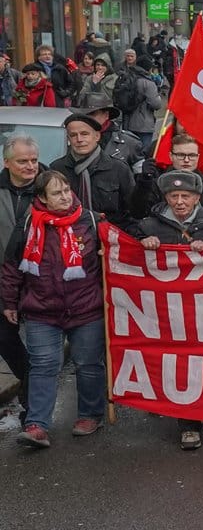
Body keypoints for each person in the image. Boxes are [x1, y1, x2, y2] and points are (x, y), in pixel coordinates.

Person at [1, 171, 105, 448]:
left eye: (66, 190)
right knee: (43, 366)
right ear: (42, 199)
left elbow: (117, 255)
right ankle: (37, 425)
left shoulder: (91, 220)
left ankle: (90, 414)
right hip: (42, 310)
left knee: (88, 365)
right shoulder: (27, 224)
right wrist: (10, 302)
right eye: (56, 193)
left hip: (86, 308)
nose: (65, 196)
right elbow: (12, 266)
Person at [132, 170, 203, 449]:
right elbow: (125, 250)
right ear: (165, 197)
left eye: (185, 196)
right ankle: (162, 399)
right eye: (173, 196)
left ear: (197, 198)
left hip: (202, 309)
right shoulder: (149, 225)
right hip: (162, 309)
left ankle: (191, 422)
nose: (179, 201)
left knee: (195, 363)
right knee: (166, 358)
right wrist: (142, 244)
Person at [0, 135, 40, 424]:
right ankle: (29, 384)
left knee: (41, 346)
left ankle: (35, 408)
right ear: (7, 163)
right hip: (3, 278)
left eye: (33, 160)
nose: (30, 166)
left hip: (38, 279)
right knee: (5, 338)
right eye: (22, 161)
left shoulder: (49, 187)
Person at [50, 114, 135, 229]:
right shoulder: (57, 169)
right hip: (69, 236)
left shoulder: (118, 169)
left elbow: (134, 212)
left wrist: (145, 184)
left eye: (84, 134)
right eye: (73, 135)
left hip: (108, 237)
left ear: (97, 136)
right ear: (69, 139)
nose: (79, 140)